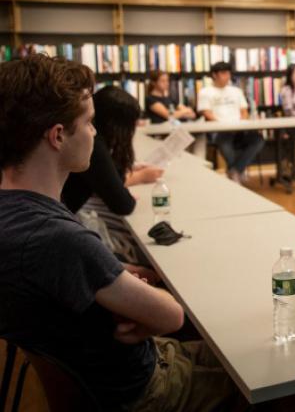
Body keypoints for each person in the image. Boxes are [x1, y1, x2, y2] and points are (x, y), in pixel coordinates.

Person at [0, 54, 240, 411]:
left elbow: (70, 276)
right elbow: (169, 316)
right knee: (283, 381)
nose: (95, 134)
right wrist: (133, 294)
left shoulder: (16, 213)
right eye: (90, 123)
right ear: (59, 135)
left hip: (106, 373)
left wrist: (114, 276)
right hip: (144, 388)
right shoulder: (61, 239)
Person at [62, 86, 163, 272]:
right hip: (67, 233)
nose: (91, 130)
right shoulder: (94, 148)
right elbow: (123, 204)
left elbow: (112, 178)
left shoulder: (98, 144)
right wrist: (139, 177)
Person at [197, 61, 265, 184]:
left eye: (228, 73)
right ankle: (238, 171)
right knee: (224, 141)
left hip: (239, 128)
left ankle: (235, 170)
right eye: (223, 73)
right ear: (214, 75)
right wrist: (223, 125)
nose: (227, 76)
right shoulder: (205, 92)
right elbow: (206, 113)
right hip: (219, 130)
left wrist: (241, 124)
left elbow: (244, 111)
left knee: (258, 139)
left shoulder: (236, 91)